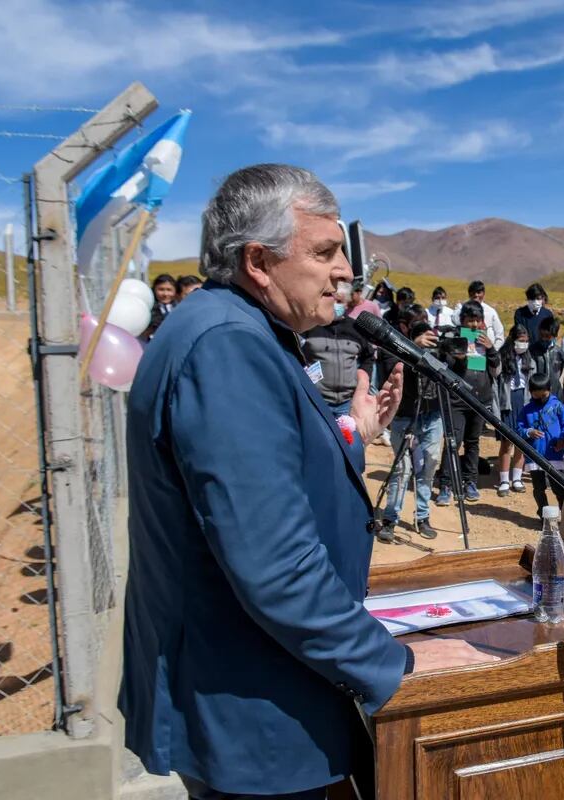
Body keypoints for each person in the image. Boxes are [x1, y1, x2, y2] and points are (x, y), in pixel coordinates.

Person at [120, 165, 491, 800]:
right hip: (254, 708)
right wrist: (389, 663)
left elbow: (258, 471)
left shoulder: (237, 329)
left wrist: (351, 433)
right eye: (324, 253)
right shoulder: (227, 346)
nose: (345, 271)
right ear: (259, 260)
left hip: (262, 686)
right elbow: (272, 561)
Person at [376, 305, 442, 542]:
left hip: (433, 416)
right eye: (414, 321)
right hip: (404, 416)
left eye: (423, 319)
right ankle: (390, 518)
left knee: (429, 467)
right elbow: (390, 368)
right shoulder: (392, 345)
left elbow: (453, 372)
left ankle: (422, 517)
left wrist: (459, 356)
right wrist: (414, 346)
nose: (420, 323)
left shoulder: (435, 344)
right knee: (402, 469)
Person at [436, 302, 501, 506]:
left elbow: (496, 368)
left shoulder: (485, 341)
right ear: (462, 320)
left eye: (477, 320)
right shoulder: (455, 340)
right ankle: (446, 484)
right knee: (453, 441)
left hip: (479, 400)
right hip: (457, 401)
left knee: (473, 443)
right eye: (469, 320)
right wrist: (460, 357)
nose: (474, 324)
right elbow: (445, 367)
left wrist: (490, 349)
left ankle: (470, 482)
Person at [301, 282, 377, 417]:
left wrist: (363, 380)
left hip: (347, 403)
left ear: (347, 303)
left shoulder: (356, 329)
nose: (335, 304)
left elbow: (369, 356)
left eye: (339, 301)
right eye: (332, 299)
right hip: (316, 401)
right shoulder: (310, 326)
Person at [517, 373, 564, 516]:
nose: (541, 399)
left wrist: (563, 439)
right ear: (531, 393)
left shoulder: (558, 407)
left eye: (544, 395)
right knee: (538, 487)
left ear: (550, 390)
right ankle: (543, 514)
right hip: (534, 456)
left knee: (559, 487)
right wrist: (529, 432)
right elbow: (518, 428)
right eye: (537, 396)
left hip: (554, 455)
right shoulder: (527, 409)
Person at [494, 324, 533, 497]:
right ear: (512, 340)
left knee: (522, 442)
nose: (523, 344)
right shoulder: (502, 357)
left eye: (526, 341)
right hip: (508, 403)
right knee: (506, 442)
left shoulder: (528, 359)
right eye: (520, 341)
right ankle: (504, 479)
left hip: (524, 401)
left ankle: (517, 477)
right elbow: (496, 383)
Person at [532, 315, 564, 396]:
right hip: (537, 393)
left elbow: (560, 371)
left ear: (554, 335)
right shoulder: (533, 350)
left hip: (555, 392)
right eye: (541, 335)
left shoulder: (558, 352)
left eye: (547, 336)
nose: (544, 339)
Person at [467, 279, 505, 348]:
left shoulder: (491, 312)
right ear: (469, 294)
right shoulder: (462, 309)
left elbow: (499, 334)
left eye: (479, 292)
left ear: (483, 293)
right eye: (473, 292)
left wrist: (494, 351)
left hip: (488, 353)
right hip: (469, 352)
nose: (476, 295)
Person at [143, 273, 177, 340]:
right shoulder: (148, 309)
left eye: (169, 290)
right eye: (161, 289)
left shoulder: (179, 307)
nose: (165, 294)